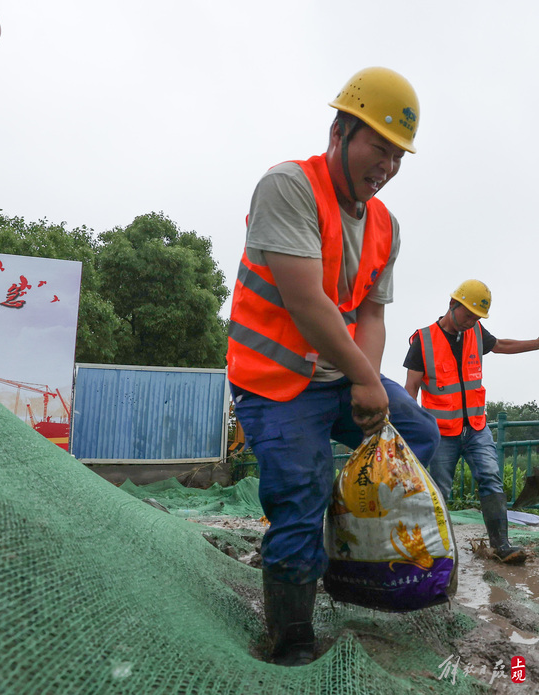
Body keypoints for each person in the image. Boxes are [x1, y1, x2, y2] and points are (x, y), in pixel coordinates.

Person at [226, 67, 441, 666]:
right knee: (299, 498)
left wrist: (362, 383)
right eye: (379, 147)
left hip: (338, 375)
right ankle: (291, 642)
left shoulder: (384, 225)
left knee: (417, 434)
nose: (388, 166)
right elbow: (306, 301)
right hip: (275, 385)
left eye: (398, 156)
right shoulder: (288, 185)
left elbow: (370, 315)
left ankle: (351, 554)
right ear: (339, 130)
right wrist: (367, 380)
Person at [404, 280, 539, 565]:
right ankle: (434, 550)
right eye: (468, 315)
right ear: (452, 304)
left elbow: (501, 345)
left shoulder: (475, 332)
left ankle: (501, 545)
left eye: (477, 317)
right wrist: (409, 431)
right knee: (439, 490)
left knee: (490, 477)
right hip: (441, 433)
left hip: (477, 428)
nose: (471, 322)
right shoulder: (423, 340)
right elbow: (410, 390)